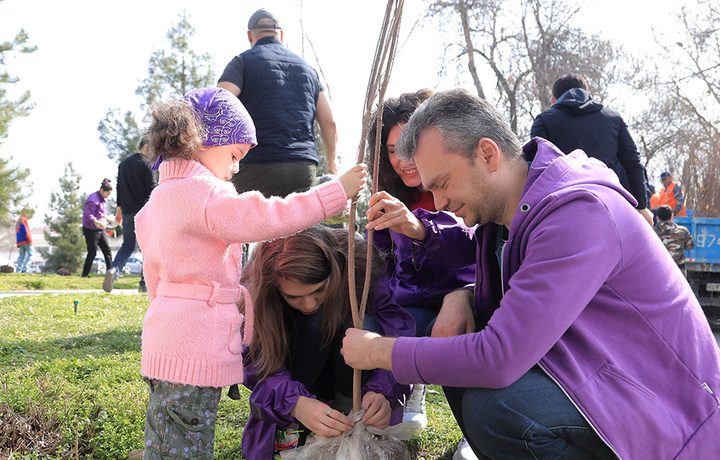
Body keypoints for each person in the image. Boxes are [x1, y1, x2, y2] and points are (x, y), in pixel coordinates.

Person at [342, 89, 720, 459]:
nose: (438, 203)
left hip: (672, 415)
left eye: (441, 184)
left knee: (498, 407)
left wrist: (378, 350)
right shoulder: (501, 222)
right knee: (456, 345)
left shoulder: (579, 214)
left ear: (487, 154)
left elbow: (499, 357)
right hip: (600, 375)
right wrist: (467, 294)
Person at [134, 87, 366, 459]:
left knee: (164, 435)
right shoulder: (207, 196)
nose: (236, 167)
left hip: (162, 344)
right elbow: (270, 217)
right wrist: (335, 193)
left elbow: (154, 280)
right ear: (205, 142)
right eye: (234, 154)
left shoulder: (154, 204)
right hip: (195, 350)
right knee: (189, 443)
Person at [239, 225, 414, 460]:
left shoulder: (361, 265)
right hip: (296, 377)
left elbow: (398, 331)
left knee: (364, 326)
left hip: (348, 380)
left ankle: (348, 419)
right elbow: (255, 360)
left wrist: (383, 391)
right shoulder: (257, 286)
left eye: (319, 290)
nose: (309, 304)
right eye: (293, 296)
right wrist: (295, 403)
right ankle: (299, 425)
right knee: (312, 321)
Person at [364, 89, 476, 447]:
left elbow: (470, 248)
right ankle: (386, 405)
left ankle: (474, 431)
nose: (405, 160)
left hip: (464, 299)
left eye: (413, 146)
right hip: (410, 303)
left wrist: (418, 229)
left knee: (452, 331)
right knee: (366, 325)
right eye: (394, 150)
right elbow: (381, 266)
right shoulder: (388, 194)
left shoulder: (462, 182)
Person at [217, 8, 338, 198]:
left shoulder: (241, 63)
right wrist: (331, 162)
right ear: (280, 34)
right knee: (302, 227)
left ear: (250, 36)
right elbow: (329, 122)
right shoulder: (309, 70)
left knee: (252, 226)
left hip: (256, 164)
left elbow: (219, 103)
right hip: (301, 167)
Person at [530, 73, 654, 226]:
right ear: (588, 94)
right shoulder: (613, 118)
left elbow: (536, 167)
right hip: (608, 204)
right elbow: (633, 162)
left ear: (553, 101)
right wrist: (641, 206)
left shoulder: (544, 120)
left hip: (562, 208)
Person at [103, 137, 157, 293]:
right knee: (147, 248)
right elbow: (153, 189)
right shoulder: (148, 164)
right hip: (145, 212)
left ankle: (114, 270)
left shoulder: (124, 164)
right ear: (146, 146)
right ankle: (144, 284)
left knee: (128, 245)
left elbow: (119, 188)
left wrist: (118, 210)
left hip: (127, 213)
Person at [80, 178, 113, 278]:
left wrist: (108, 219)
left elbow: (101, 213)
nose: (107, 196)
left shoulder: (103, 200)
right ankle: (85, 274)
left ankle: (111, 273)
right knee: (92, 252)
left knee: (107, 251)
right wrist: (96, 221)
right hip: (90, 229)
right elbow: (88, 215)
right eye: (107, 194)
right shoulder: (92, 199)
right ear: (102, 190)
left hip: (100, 228)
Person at [654, 204, 694, 269]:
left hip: (659, 268)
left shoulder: (652, 232)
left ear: (658, 217)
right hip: (678, 269)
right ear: (672, 216)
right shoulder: (683, 231)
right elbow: (689, 247)